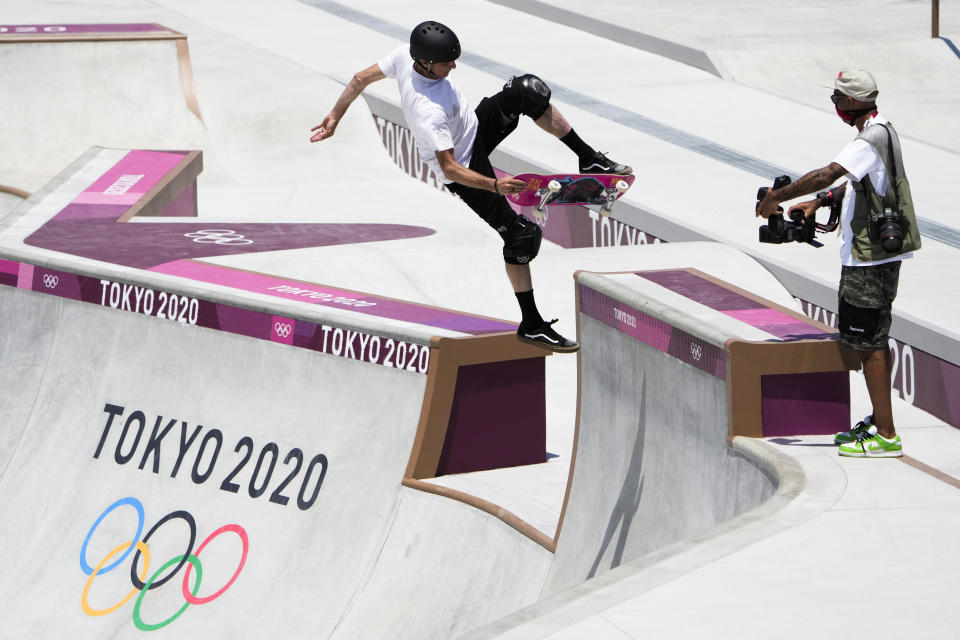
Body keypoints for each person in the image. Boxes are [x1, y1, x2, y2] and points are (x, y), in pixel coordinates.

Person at [310, 20, 632, 352]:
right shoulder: (427, 112)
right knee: (521, 236)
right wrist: (494, 185)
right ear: (426, 64)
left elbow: (361, 78)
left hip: (474, 130)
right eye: (447, 62)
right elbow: (450, 167)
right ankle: (532, 324)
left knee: (526, 90)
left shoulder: (404, 55)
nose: (454, 66)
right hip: (464, 170)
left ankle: (589, 158)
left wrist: (335, 115)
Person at [757, 68, 921, 458]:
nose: (833, 104)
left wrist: (776, 197)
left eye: (836, 98)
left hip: (868, 260)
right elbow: (855, 180)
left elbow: (826, 172)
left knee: (868, 345)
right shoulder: (881, 129)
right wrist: (822, 202)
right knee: (872, 338)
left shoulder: (870, 137)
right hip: (877, 255)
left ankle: (885, 435)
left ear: (850, 102)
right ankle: (880, 420)